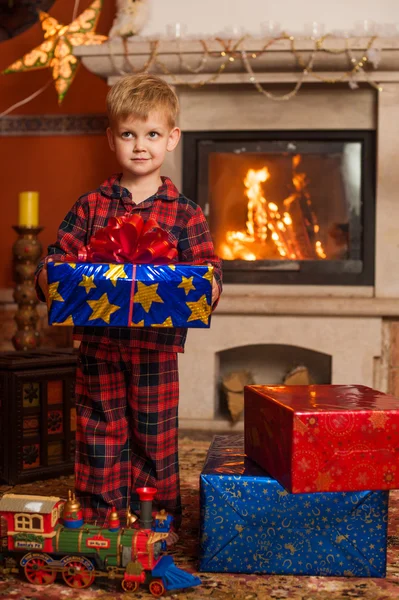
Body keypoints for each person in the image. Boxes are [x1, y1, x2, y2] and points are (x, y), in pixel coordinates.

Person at [36, 73, 222, 535]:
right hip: (99, 346)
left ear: (172, 139)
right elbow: (58, 259)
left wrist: (210, 287)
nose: (141, 146)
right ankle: (102, 518)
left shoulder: (186, 213)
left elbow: (209, 270)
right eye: (128, 134)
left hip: (155, 351)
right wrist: (49, 278)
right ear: (111, 138)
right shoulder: (91, 207)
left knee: (154, 435)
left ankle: (155, 518)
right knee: (99, 430)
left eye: (153, 134)